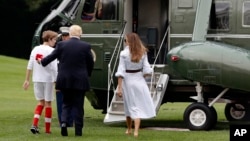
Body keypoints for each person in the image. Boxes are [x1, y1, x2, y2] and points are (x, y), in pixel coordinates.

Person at [38, 25, 94, 136]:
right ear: (80, 33)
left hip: (64, 79)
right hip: (80, 80)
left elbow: (51, 57)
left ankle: (63, 123)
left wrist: (42, 61)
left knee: (66, 103)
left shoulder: (61, 45)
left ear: (70, 33)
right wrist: (87, 74)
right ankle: (78, 131)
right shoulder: (86, 46)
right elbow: (90, 63)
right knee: (78, 105)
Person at [115, 33, 156, 138]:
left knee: (129, 106)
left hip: (128, 80)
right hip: (139, 80)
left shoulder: (123, 54)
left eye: (125, 41)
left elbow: (120, 72)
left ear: (128, 42)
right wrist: (142, 75)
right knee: (137, 105)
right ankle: (136, 131)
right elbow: (147, 69)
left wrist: (119, 88)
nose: (125, 42)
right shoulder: (143, 52)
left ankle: (129, 129)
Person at [23, 30, 58, 134]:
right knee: (48, 103)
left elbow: (30, 65)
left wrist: (27, 80)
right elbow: (54, 68)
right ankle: (47, 130)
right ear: (50, 39)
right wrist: (56, 81)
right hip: (48, 79)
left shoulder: (35, 49)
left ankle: (34, 124)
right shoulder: (52, 51)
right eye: (55, 39)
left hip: (37, 79)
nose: (55, 42)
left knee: (40, 102)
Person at [55, 26, 74, 127]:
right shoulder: (58, 47)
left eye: (67, 35)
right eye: (64, 36)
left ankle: (70, 121)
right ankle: (63, 121)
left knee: (71, 100)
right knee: (60, 101)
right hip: (60, 77)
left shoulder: (75, 47)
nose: (65, 37)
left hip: (71, 77)